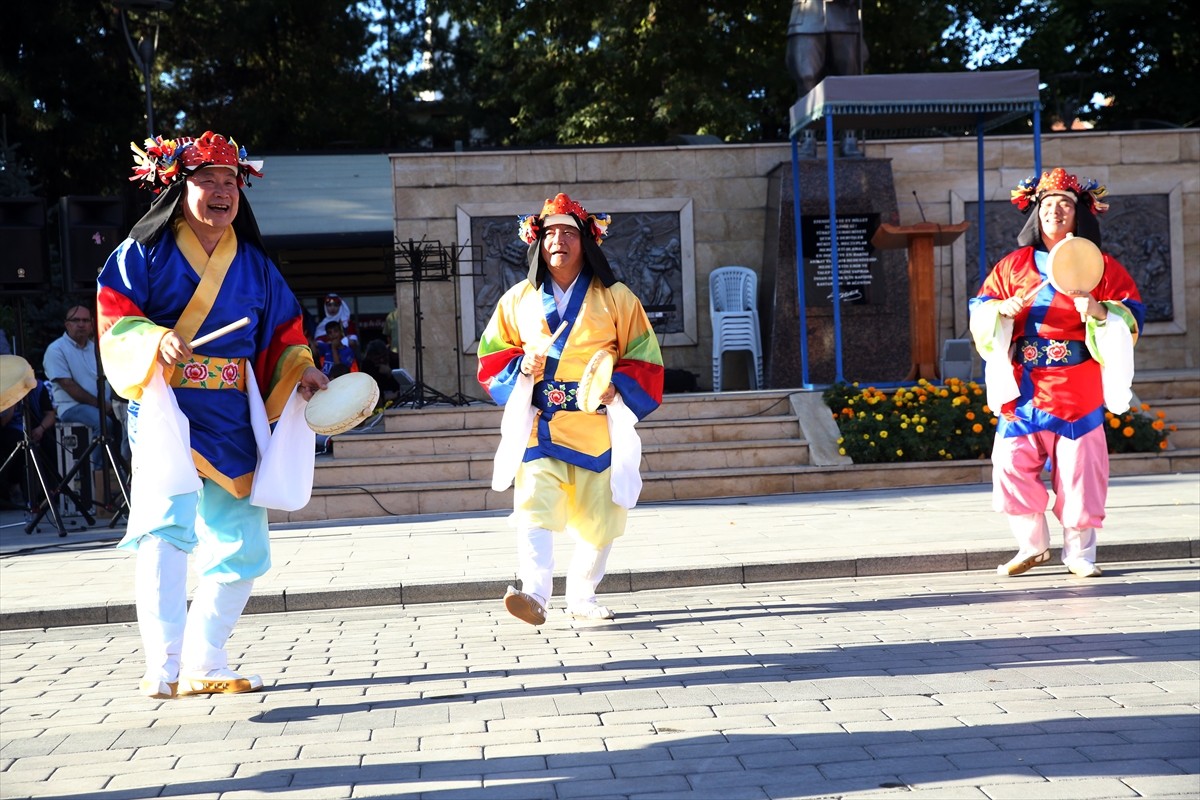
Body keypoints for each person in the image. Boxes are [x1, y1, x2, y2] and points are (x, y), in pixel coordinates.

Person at [98, 131, 328, 699]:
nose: (222, 192)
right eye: (208, 180)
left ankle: (209, 655)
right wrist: (154, 340)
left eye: (231, 182)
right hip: (165, 406)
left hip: (230, 412)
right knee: (163, 530)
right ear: (180, 187)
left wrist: (301, 369)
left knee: (242, 541)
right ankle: (163, 663)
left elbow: (283, 333)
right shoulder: (142, 253)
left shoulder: (253, 264)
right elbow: (116, 317)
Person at [477, 193, 664, 624]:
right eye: (549, 233)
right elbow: (491, 357)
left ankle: (582, 596)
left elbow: (646, 356)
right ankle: (534, 594)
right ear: (537, 242)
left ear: (586, 241)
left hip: (597, 426)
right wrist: (521, 366)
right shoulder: (517, 299)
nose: (557, 240)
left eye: (567, 232)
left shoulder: (618, 298)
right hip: (542, 425)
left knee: (602, 520)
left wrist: (615, 389)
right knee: (534, 508)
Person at [969, 168, 1144, 579]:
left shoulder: (1100, 265)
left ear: (1079, 213)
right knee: (1011, 463)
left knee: (1080, 470)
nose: (1055, 211)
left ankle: (1079, 554)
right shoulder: (1012, 265)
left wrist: (1100, 311)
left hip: (1077, 384)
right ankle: (1032, 545)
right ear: (1036, 214)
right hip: (1024, 384)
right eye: (1047, 204)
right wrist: (1001, 311)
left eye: (1064, 204)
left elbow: (1132, 314)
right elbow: (981, 308)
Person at [42, 304, 121, 509]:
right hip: (71, 407)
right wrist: (102, 405)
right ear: (67, 324)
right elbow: (68, 386)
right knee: (102, 423)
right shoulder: (56, 349)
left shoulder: (97, 347)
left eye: (86, 320)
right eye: (76, 321)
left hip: (102, 405)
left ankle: (124, 482)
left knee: (128, 421)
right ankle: (100, 480)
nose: (81, 325)